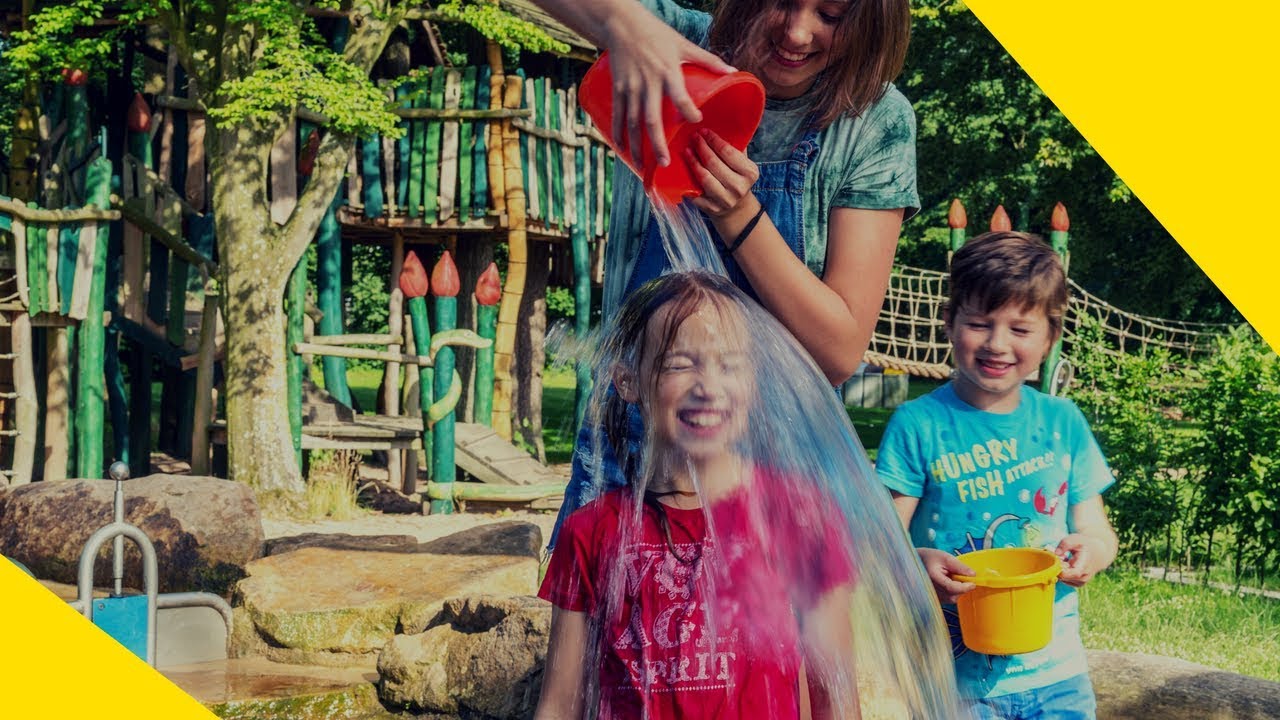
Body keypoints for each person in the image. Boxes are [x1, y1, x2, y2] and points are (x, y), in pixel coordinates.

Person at [535, 0, 919, 548]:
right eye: (781, 1)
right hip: (638, 455)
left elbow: (838, 351)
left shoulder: (873, 120)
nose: (797, 32)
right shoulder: (678, 46)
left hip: (781, 468)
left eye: (831, 15)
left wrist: (739, 216)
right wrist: (624, 26)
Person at [535, 271, 860, 720]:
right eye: (680, 364)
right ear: (628, 380)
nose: (708, 387)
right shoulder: (591, 532)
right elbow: (559, 704)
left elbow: (836, 698)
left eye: (729, 365)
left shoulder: (798, 518)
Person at [875, 231, 1119, 720]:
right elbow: (881, 539)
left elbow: (1098, 530)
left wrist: (1091, 552)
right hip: (951, 681)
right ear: (949, 322)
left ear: (1050, 337)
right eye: (979, 323)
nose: (997, 344)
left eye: (1020, 329)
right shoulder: (918, 425)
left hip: (1056, 677)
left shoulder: (1063, 422)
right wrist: (916, 565)